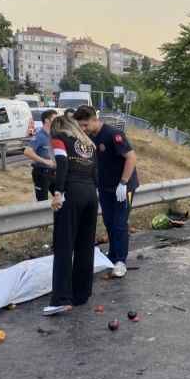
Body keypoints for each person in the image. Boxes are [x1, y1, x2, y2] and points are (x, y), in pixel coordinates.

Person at [43, 116, 99, 316]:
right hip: (91, 194)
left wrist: (58, 192)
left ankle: (61, 299)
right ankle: (81, 294)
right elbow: (95, 172)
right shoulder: (88, 144)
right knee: (85, 246)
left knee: (64, 246)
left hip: (72, 193)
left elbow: (62, 164)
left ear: (57, 128)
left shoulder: (60, 139)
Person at [74, 106, 139, 278]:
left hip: (123, 187)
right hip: (105, 187)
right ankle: (113, 255)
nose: (83, 129)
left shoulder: (113, 135)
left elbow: (131, 157)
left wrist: (123, 183)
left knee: (119, 224)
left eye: (86, 125)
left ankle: (121, 261)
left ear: (95, 119)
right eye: (80, 126)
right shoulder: (90, 137)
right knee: (109, 222)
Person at [23, 109, 57, 201]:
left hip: (54, 172)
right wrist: (45, 161)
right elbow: (27, 151)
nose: (57, 121)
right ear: (47, 120)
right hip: (41, 173)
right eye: (55, 119)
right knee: (42, 200)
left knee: (62, 199)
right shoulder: (39, 136)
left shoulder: (55, 135)